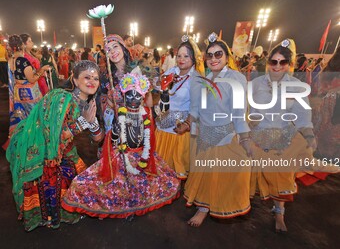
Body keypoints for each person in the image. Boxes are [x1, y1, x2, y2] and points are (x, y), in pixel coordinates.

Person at [62, 73, 180, 218]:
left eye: (138, 96)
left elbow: (163, 109)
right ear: (124, 97)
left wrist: (165, 91)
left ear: (143, 98)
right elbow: (113, 140)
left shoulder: (147, 113)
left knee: (163, 182)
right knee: (87, 184)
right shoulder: (121, 115)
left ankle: (135, 204)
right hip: (123, 156)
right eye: (130, 96)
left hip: (143, 156)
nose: (133, 100)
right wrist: (116, 132)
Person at [6, 60, 103, 231]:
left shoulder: (90, 104)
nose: (92, 82)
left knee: (87, 182)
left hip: (65, 150)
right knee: (61, 174)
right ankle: (49, 214)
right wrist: (83, 122)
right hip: (43, 150)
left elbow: (97, 139)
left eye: (96, 78)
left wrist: (93, 122)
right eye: (86, 77)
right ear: (74, 79)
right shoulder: (61, 98)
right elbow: (55, 138)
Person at [181, 32, 252, 227]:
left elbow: (239, 112)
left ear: (227, 56)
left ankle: (209, 207)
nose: (213, 59)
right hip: (204, 135)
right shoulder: (203, 79)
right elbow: (195, 108)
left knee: (221, 177)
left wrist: (243, 138)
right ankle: (203, 208)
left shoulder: (237, 79)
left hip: (226, 136)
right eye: (209, 55)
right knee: (205, 175)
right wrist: (187, 124)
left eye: (218, 54)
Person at [249, 39, 317, 233]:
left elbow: (303, 115)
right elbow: (248, 110)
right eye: (273, 62)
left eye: (282, 62)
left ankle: (279, 211)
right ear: (268, 62)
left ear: (289, 64)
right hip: (258, 137)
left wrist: (310, 136)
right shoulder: (255, 84)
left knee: (281, 177)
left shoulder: (296, 86)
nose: (277, 66)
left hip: (283, 138)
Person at [155, 35, 204, 179]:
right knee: (159, 169)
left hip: (179, 129)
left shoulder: (196, 78)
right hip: (163, 124)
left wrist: (187, 124)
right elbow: (157, 86)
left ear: (193, 59)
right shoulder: (172, 71)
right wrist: (166, 80)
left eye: (186, 56)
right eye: (179, 55)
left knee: (173, 172)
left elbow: (197, 107)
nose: (181, 59)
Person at [6, 35, 49, 137]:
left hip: (18, 94)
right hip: (29, 94)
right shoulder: (23, 61)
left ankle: (22, 139)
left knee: (22, 119)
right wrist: (42, 70)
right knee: (33, 118)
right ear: (22, 45)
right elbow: (32, 79)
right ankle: (32, 142)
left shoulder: (10, 60)